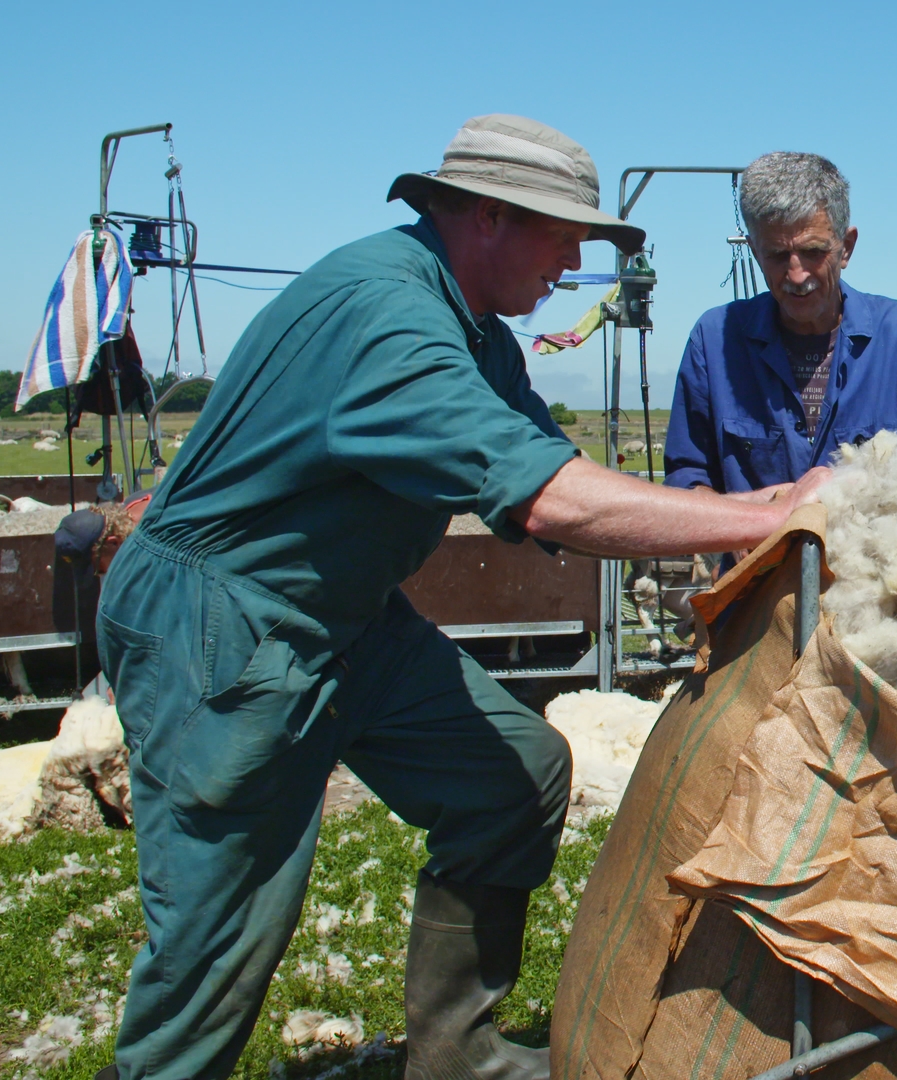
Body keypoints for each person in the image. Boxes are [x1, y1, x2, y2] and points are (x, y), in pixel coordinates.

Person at [93, 115, 827, 1080]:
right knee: (218, 933)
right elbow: (551, 496)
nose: (571, 265)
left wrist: (716, 531)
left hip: (346, 617)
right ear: (488, 217)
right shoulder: (388, 318)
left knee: (513, 778)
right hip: (227, 619)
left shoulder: (475, 333)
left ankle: (455, 1053)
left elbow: (555, 477)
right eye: (563, 237)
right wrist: (763, 512)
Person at [662, 152, 897, 495]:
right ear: (754, 251)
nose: (797, 275)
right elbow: (688, 476)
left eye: (813, 252)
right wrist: (734, 528)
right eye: (778, 256)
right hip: (754, 550)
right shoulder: (715, 342)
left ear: (846, 248)